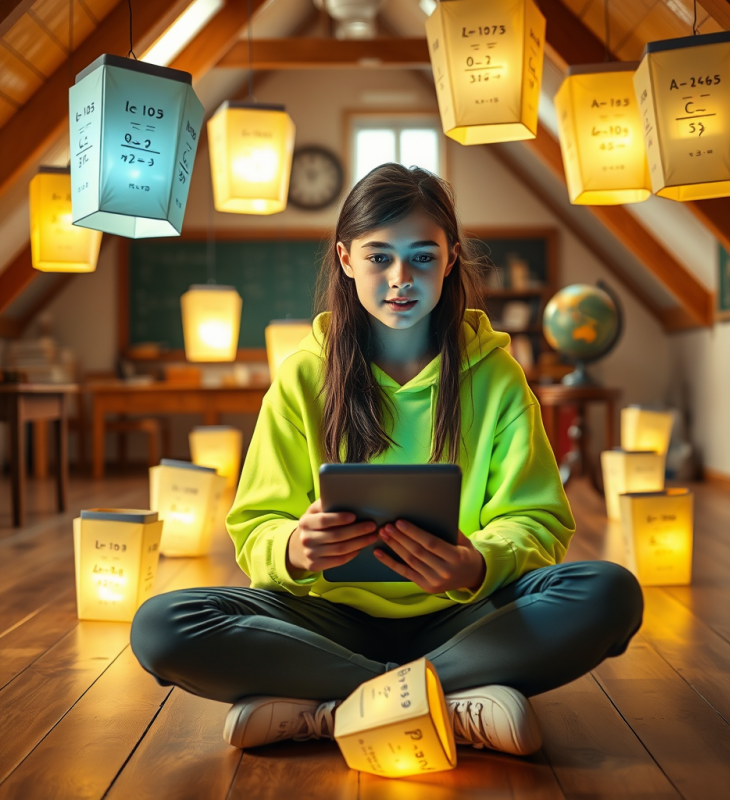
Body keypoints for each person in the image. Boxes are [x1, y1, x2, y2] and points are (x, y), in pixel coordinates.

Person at [131, 164, 643, 757]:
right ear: (346, 259)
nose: (401, 279)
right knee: (163, 625)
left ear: (451, 259)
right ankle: (445, 702)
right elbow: (255, 524)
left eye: (423, 257)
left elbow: (538, 521)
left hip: (464, 615)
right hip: (323, 618)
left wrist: (474, 565)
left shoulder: (498, 377)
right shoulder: (303, 375)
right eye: (379, 258)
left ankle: (326, 711)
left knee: (608, 593)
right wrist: (294, 549)